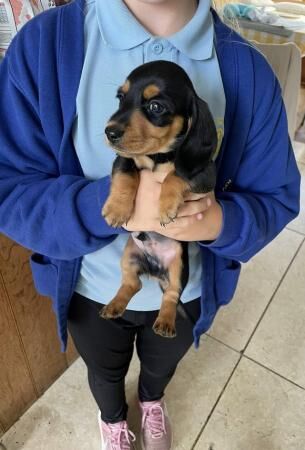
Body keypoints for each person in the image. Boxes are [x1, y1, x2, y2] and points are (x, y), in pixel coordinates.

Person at [0, 0, 300, 448]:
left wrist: (218, 220)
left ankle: (151, 402)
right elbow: (10, 190)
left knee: (161, 366)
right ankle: (113, 419)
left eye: (153, 109)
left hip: (185, 289)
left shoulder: (248, 72)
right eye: (124, 101)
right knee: (103, 370)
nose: (119, 124)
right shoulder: (43, 46)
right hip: (88, 287)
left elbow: (277, 198)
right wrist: (111, 203)